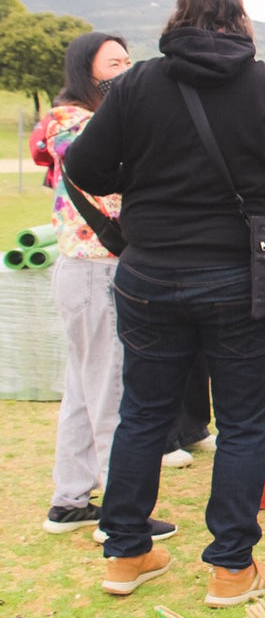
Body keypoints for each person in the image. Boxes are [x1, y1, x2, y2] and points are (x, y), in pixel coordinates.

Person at [66, 0, 265, 605]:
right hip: (243, 278)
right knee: (245, 425)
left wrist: (144, 178)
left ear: (179, 17)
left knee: (142, 414)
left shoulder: (137, 83)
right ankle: (230, 569)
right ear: (241, 19)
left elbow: (83, 167)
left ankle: (125, 554)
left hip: (148, 275)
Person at [41, 32, 174, 543]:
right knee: (111, 393)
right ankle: (123, 515)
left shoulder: (77, 121)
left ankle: (70, 498)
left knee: (81, 388)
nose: (126, 69)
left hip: (83, 268)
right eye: (114, 62)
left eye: (127, 59)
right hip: (97, 268)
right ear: (87, 72)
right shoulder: (77, 126)